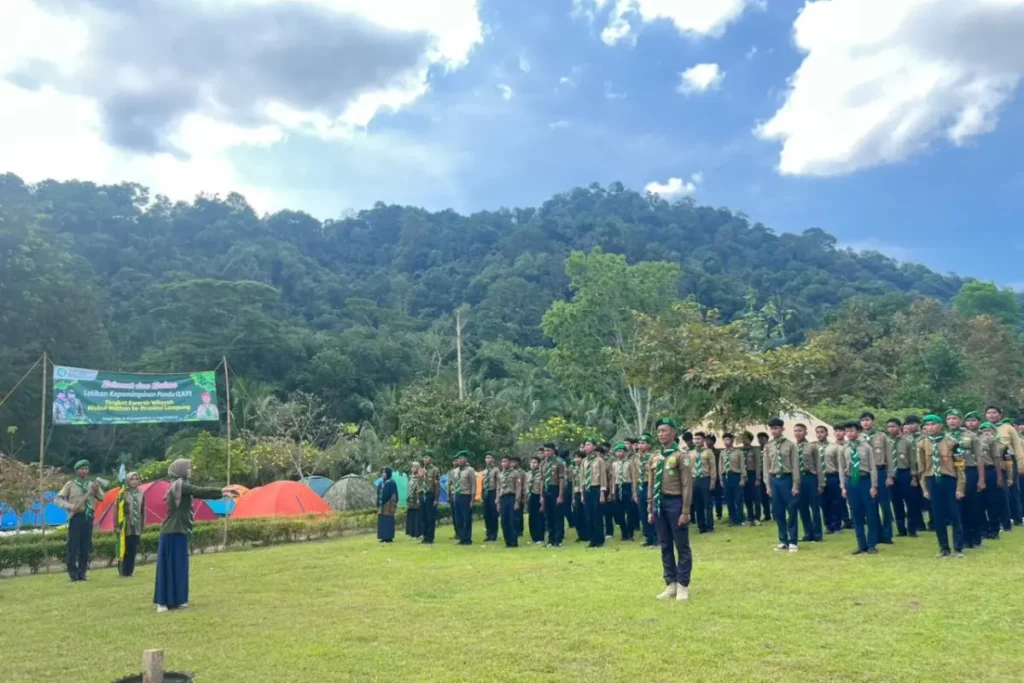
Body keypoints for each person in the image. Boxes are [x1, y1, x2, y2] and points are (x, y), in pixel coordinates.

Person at [155, 459, 229, 612]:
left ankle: (179, 599)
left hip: (180, 530)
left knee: (180, 566)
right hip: (171, 531)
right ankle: (163, 602)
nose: (190, 470)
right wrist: (221, 491)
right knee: (168, 567)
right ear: (180, 469)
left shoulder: (180, 484)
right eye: (188, 468)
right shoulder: (179, 485)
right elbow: (199, 491)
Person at [648, 417, 693, 601]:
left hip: (676, 502)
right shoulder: (655, 457)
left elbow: (687, 485)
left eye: (664, 430)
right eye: (659, 431)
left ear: (674, 433)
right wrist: (650, 507)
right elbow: (651, 483)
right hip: (659, 503)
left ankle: (683, 584)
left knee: (681, 545)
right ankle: (671, 584)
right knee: (665, 544)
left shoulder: (681, 456)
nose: (661, 434)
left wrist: (685, 511)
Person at [917, 414, 966, 558]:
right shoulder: (921, 443)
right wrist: (924, 488)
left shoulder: (952, 442)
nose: (929, 428)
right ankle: (944, 548)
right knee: (937, 515)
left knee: (954, 514)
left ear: (940, 426)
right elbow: (921, 468)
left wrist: (960, 487)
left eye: (933, 424)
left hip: (949, 480)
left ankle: (958, 548)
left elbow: (960, 466)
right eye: (926, 425)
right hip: (932, 479)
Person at [55, 459, 105, 582]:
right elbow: (58, 499)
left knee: (85, 546)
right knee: (73, 546)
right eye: (82, 469)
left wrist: (97, 488)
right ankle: (73, 573)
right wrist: (71, 507)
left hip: (88, 516)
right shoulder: (70, 484)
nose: (84, 471)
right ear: (77, 470)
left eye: (86, 469)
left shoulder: (92, 484)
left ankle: (82, 573)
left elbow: (102, 498)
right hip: (75, 517)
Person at [840, 422, 879, 555]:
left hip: (865, 480)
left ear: (858, 431)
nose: (849, 433)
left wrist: (873, 485)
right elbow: (841, 469)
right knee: (856, 514)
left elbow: (873, 466)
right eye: (847, 431)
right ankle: (861, 544)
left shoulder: (866, 447)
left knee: (870, 513)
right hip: (851, 481)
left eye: (852, 430)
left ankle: (871, 544)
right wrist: (843, 486)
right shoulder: (844, 448)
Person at [764, 418, 800, 552]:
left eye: (776, 428)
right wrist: (767, 485)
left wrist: (796, 484)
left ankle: (793, 540)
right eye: (772, 429)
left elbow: (795, 466)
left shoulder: (790, 445)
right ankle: (783, 539)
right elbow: (766, 467)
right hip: (774, 479)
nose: (774, 431)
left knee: (791, 509)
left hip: (787, 479)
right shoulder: (768, 446)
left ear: (782, 429)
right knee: (778, 511)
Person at [987, 405, 1024, 528]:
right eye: (989, 413)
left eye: (994, 412)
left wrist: (1021, 463)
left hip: (1008, 460)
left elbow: (1017, 445)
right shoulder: (985, 428)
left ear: (1000, 414)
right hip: (992, 462)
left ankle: (1017, 518)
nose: (991, 415)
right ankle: (1001, 519)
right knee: (999, 492)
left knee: (1012, 490)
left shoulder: (1007, 428)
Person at [861, 412, 895, 544]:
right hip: (866, 475)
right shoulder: (859, 438)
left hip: (881, 472)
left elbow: (890, 457)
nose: (865, 423)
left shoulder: (882, 436)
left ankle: (887, 534)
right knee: (870, 505)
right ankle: (875, 534)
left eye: (868, 420)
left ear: (873, 422)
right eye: (863, 420)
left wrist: (890, 475)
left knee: (885, 504)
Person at [958, 413, 986, 549]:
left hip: (970, 470)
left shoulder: (971, 436)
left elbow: (980, 457)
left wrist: (981, 479)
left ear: (960, 421)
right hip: (955, 473)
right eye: (949, 418)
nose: (952, 421)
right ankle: (963, 539)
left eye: (955, 418)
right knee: (959, 507)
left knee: (972, 505)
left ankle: (975, 538)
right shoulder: (946, 437)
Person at [794, 423, 824, 543]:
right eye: (796, 431)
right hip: (798, 478)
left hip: (810, 477)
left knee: (814, 506)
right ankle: (807, 533)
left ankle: (817, 533)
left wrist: (820, 483)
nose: (798, 433)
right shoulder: (792, 447)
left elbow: (818, 466)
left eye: (800, 430)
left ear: (806, 432)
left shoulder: (812, 447)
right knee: (802, 507)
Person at [887, 418, 917, 538]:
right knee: (896, 502)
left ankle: (912, 529)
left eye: (893, 426)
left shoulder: (907, 441)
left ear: (899, 427)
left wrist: (914, 476)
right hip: (891, 474)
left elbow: (912, 460)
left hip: (905, 473)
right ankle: (901, 529)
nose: (891, 429)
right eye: (889, 427)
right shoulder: (887, 442)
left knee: (910, 502)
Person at [114, 471, 145, 577]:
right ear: (127, 480)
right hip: (125, 525)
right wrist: (116, 526)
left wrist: (142, 525)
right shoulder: (123, 493)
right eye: (132, 479)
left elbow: (142, 510)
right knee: (124, 548)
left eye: (136, 479)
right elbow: (117, 509)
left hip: (136, 524)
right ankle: (123, 571)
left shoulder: (141, 493)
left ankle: (130, 570)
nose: (134, 481)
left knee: (133, 548)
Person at [979, 421, 1005, 540]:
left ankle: (994, 529)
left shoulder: (996, 442)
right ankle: (984, 529)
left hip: (990, 471)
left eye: (989, 430)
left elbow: (997, 459)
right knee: (980, 503)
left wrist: (999, 476)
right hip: (977, 471)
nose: (986, 433)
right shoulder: (976, 440)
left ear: (994, 432)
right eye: (984, 430)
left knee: (993, 503)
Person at [582, 437, 608, 548]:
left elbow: (603, 477)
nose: (586, 447)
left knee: (597, 515)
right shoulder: (584, 461)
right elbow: (582, 477)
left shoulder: (599, 460)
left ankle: (599, 540)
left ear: (594, 446)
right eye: (585, 445)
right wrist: (582, 493)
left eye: (589, 445)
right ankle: (592, 539)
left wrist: (602, 492)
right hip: (587, 489)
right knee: (589, 516)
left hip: (596, 488)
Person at [903, 415, 928, 533]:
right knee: (913, 497)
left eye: (913, 423)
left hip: (924, 467)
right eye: (908, 424)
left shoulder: (924, 438)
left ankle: (934, 521)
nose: (910, 426)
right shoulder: (906, 439)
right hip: (911, 468)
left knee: (927, 495)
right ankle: (918, 523)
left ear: (918, 425)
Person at [819, 425, 845, 534]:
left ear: (827, 433)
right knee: (824, 503)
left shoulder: (834, 447)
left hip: (832, 476)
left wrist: (840, 480)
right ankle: (828, 525)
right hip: (820, 477)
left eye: (822, 432)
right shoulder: (815, 447)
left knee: (835, 502)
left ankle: (837, 525)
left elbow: (839, 465)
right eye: (818, 432)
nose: (819, 434)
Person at [541, 443, 567, 547]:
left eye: (548, 450)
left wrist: (560, 495)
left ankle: (558, 539)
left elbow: (561, 479)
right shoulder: (543, 463)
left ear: (553, 451)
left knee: (558, 515)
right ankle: (550, 539)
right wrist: (541, 495)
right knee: (549, 515)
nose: (546, 453)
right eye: (545, 451)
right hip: (546, 489)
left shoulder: (559, 462)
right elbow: (542, 479)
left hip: (555, 489)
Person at [691, 432, 717, 533]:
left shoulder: (708, 452)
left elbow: (713, 468)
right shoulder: (691, 453)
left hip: (705, 479)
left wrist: (713, 482)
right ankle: (701, 527)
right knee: (698, 505)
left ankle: (710, 526)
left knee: (708, 504)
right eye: (695, 439)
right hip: (695, 480)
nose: (696, 441)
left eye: (699, 439)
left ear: (703, 440)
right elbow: (688, 468)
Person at [635, 434, 658, 545]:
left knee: (652, 511)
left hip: (650, 485)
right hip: (640, 486)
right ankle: (648, 537)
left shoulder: (653, 457)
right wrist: (634, 492)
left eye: (643, 443)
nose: (640, 445)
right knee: (642, 513)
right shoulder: (636, 459)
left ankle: (656, 537)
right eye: (639, 443)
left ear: (648, 445)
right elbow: (634, 475)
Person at [498, 456, 524, 547]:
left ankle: (513, 541)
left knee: (512, 520)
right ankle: (507, 541)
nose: (503, 463)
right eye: (502, 461)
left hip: (511, 497)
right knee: (504, 520)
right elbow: (499, 488)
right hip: (503, 498)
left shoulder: (515, 473)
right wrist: (497, 501)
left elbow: (518, 487)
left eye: (505, 461)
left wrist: (517, 501)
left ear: (510, 462)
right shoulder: (501, 474)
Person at [720, 433, 746, 527]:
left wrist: (743, 478)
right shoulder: (722, 452)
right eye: (724, 440)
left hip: (736, 476)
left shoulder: (738, 452)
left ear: (732, 441)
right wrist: (721, 479)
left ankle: (740, 519)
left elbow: (742, 466)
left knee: (738, 499)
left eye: (727, 439)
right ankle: (732, 519)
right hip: (726, 476)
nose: (725, 442)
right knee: (729, 499)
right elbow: (721, 466)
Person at [455, 452, 477, 545]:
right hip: (457, 495)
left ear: (466, 459)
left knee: (466, 518)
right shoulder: (456, 471)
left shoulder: (470, 470)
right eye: (458, 459)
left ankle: (468, 539)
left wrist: (472, 499)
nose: (459, 460)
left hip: (466, 495)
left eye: (461, 458)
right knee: (458, 518)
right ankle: (461, 538)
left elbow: (473, 485)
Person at [741, 432, 761, 526]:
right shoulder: (740, 450)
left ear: (750, 439)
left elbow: (758, 465)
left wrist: (758, 478)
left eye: (746, 438)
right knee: (747, 497)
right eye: (743, 438)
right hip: (744, 475)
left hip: (752, 474)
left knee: (756, 497)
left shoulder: (755, 450)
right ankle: (749, 517)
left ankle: (757, 517)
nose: (744, 440)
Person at [620, 441, 640, 540]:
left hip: (627, 486)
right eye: (617, 451)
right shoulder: (615, 464)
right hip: (618, 487)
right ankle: (623, 533)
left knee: (630, 512)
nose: (619, 453)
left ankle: (630, 533)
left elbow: (633, 478)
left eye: (621, 451)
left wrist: (634, 491)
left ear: (625, 452)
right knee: (620, 513)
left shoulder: (629, 463)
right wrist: (612, 492)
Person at [421, 451, 441, 544]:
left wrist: (436, 499)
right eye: (424, 457)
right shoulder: (421, 470)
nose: (425, 459)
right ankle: (424, 537)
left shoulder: (435, 470)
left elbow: (437, 485)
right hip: (422, 495)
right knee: (423, 518)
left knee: (430, 518)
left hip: (430, 495)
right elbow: (419, 484)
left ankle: (430, 538)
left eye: (427, 457)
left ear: (431, 459)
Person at [572, 450, 590, 543]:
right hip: (577, 492)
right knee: (577, 514)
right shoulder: (574, 469)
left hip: (585, 492)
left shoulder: (587, 467)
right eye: (575, 457)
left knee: (586, 514)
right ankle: (581, 535)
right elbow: (573, 483)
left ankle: (588, 535)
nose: (576, 459)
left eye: (578, 457)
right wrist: (573, 496)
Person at [705, 433, 724, 522]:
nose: (706, 442)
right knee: (707, 497)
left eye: (709, 440)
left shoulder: (717, 452)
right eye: (706, 440)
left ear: (713, 442)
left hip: (716, 476)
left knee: (718, 497)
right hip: (707, 477)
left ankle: (719, 514)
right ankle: (708, 516)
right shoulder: (704, 452)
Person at [527, 456, 545, 544]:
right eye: (531, 462)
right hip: (530, 496)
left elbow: (542, 487)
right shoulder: (528, 474)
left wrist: (542, 497)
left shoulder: (541, 474)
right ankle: (533, 537)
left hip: (538, 496)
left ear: (538, 464)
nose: (533, 464)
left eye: (535, 462)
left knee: (539, 517)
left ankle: (540, 537)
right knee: (531, 517)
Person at [482, 453, 500, 543]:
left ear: (493, 459)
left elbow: (498, 484)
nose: (487, 459)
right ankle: (488, 534)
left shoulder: (496, 470)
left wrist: (497, 497)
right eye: (486, 457)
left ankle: (494, 534)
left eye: (489, 457)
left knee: (493, 514)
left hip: (493, 492)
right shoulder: (485, 471)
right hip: (486, 493)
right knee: (486, 514)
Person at [377, 468, 399, 543]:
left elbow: (394, 495)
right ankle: (383, 537)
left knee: (388, 521)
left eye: (385, 472)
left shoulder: (392, 483)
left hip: (388, 505)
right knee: (382, 521)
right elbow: (378, 493)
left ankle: (389, 537)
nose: (383, 474)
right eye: (382, 472)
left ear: (388, 473)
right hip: (381, 504)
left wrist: (393, 505)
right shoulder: (380, 483)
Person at [757, 432, 772, 522]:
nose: (760, 440)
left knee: (773, 495)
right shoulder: (758, 450)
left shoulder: (770, 448)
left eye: (762, 438)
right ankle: (767, 515)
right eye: (759, 438)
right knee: (763, 496)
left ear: (767, 439)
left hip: (771, 473)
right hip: (762, 474)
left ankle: (775, 514)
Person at [405, 462, 422, 539]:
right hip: (410, 500)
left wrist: (418, 499)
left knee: (417, 516)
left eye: (415, 467)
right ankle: (411, 533)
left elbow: (420, 488)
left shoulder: (420, 477)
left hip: (417, 499)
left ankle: (417, 534)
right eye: (412, 467)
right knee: (411, 516)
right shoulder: (410, 477)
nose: (413, 468)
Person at [511, 456, 526, 538]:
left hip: (520, 494)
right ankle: (514, 529)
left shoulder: (522, 472)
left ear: (518, 463)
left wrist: (523, 496)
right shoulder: (509, 472)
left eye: (514, 462)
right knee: (513, 514)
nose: (512, 463)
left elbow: (523, 485)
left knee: (519, 514)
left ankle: (520, 530)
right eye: (511, 462)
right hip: (512, 494)